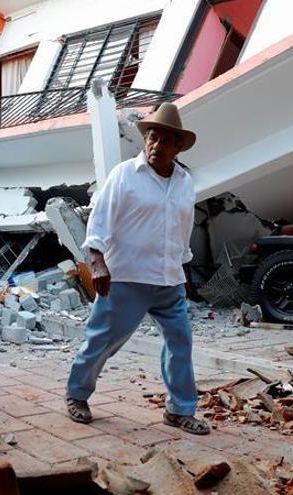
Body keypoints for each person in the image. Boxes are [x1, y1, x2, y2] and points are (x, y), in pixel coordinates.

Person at [65, 103, 210, 435]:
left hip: (169, 280)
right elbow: (99, 223)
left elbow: (182, 232)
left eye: (164, 141)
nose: (156, 146)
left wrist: (183, 273)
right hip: (125, 278)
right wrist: (98, 264)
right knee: (103, 341)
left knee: (180, 343)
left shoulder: (185, 182)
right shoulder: (124, 175)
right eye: (152, 138)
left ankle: (179, 410)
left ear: (177, 147)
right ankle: (76, 394)